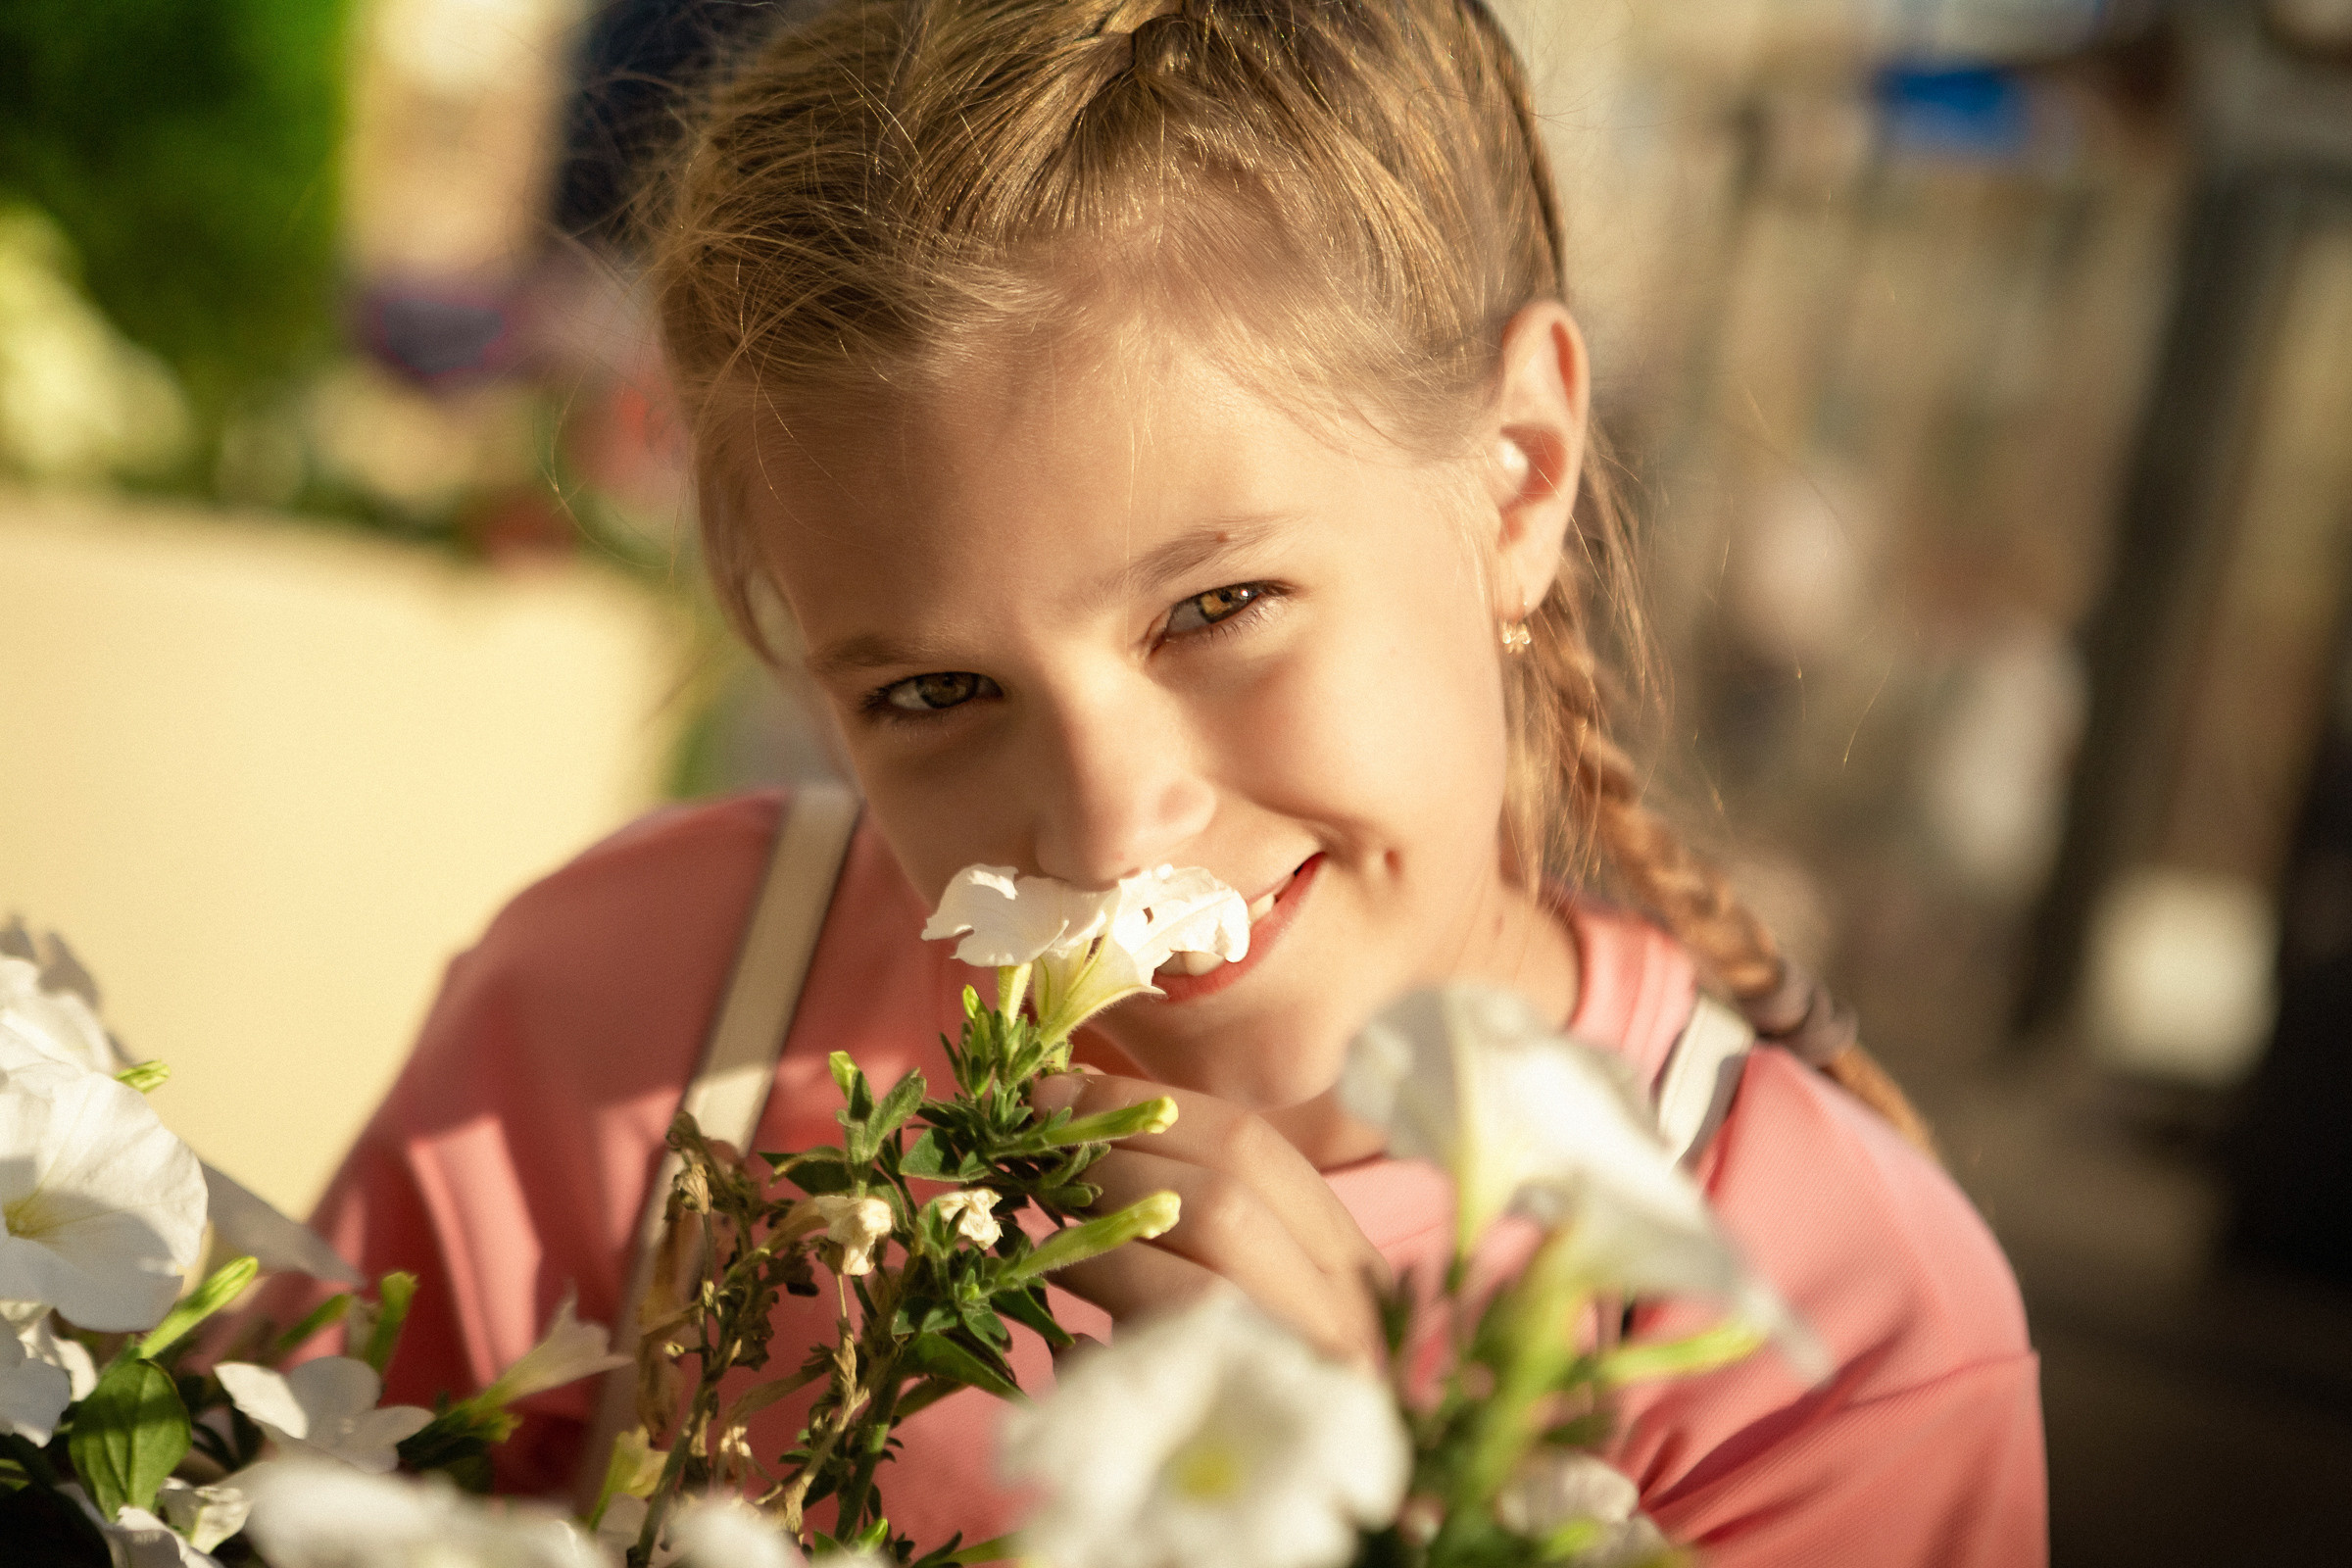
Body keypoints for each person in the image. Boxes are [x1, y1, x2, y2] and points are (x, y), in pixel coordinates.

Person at [291, 1, 2046, 1560]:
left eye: (1219, 609)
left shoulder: (1837, 1339)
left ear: (1517, 472)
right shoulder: (636, 1024)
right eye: (934, 693)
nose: (1112, 828)